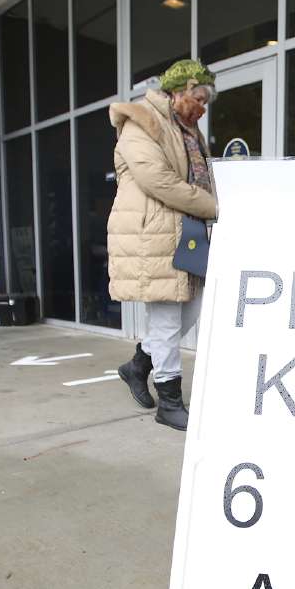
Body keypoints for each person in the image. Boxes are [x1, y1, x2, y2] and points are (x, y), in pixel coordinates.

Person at [107, 60, 218, 431]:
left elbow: (201, 178)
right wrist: (216, 208)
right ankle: (169, 402)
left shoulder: (188, 130)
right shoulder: (142, 122)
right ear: (179, 90)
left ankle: (138, 365)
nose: (202, 108)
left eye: (205, 102)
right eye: (199, 99)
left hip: (186, 231)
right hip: (152, 233)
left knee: (193, 309)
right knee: (168, 319)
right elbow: (158, 180)